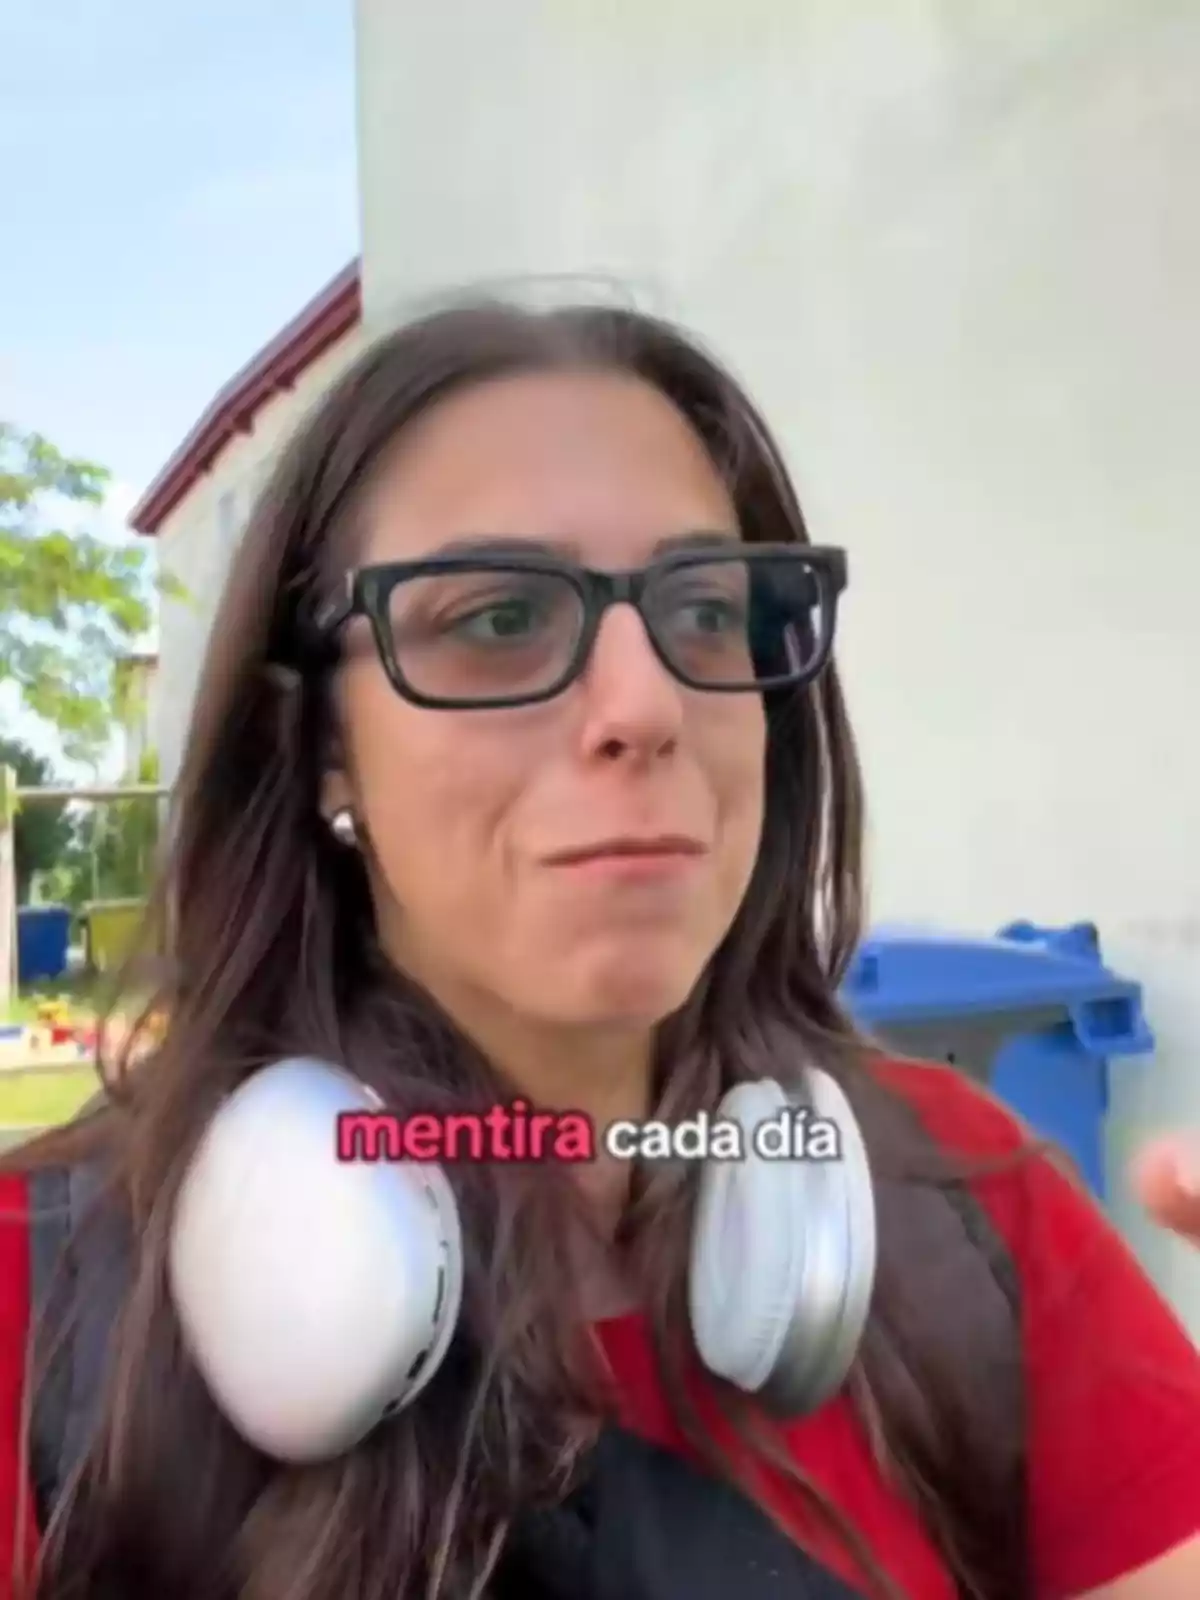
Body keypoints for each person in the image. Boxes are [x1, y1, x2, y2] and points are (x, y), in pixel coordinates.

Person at [1, 296, 1198, 1600]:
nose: (647, 702)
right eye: (499, 619)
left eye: (706, 610)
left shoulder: (969, 1206)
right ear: (326, 745)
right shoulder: (45, 1295)